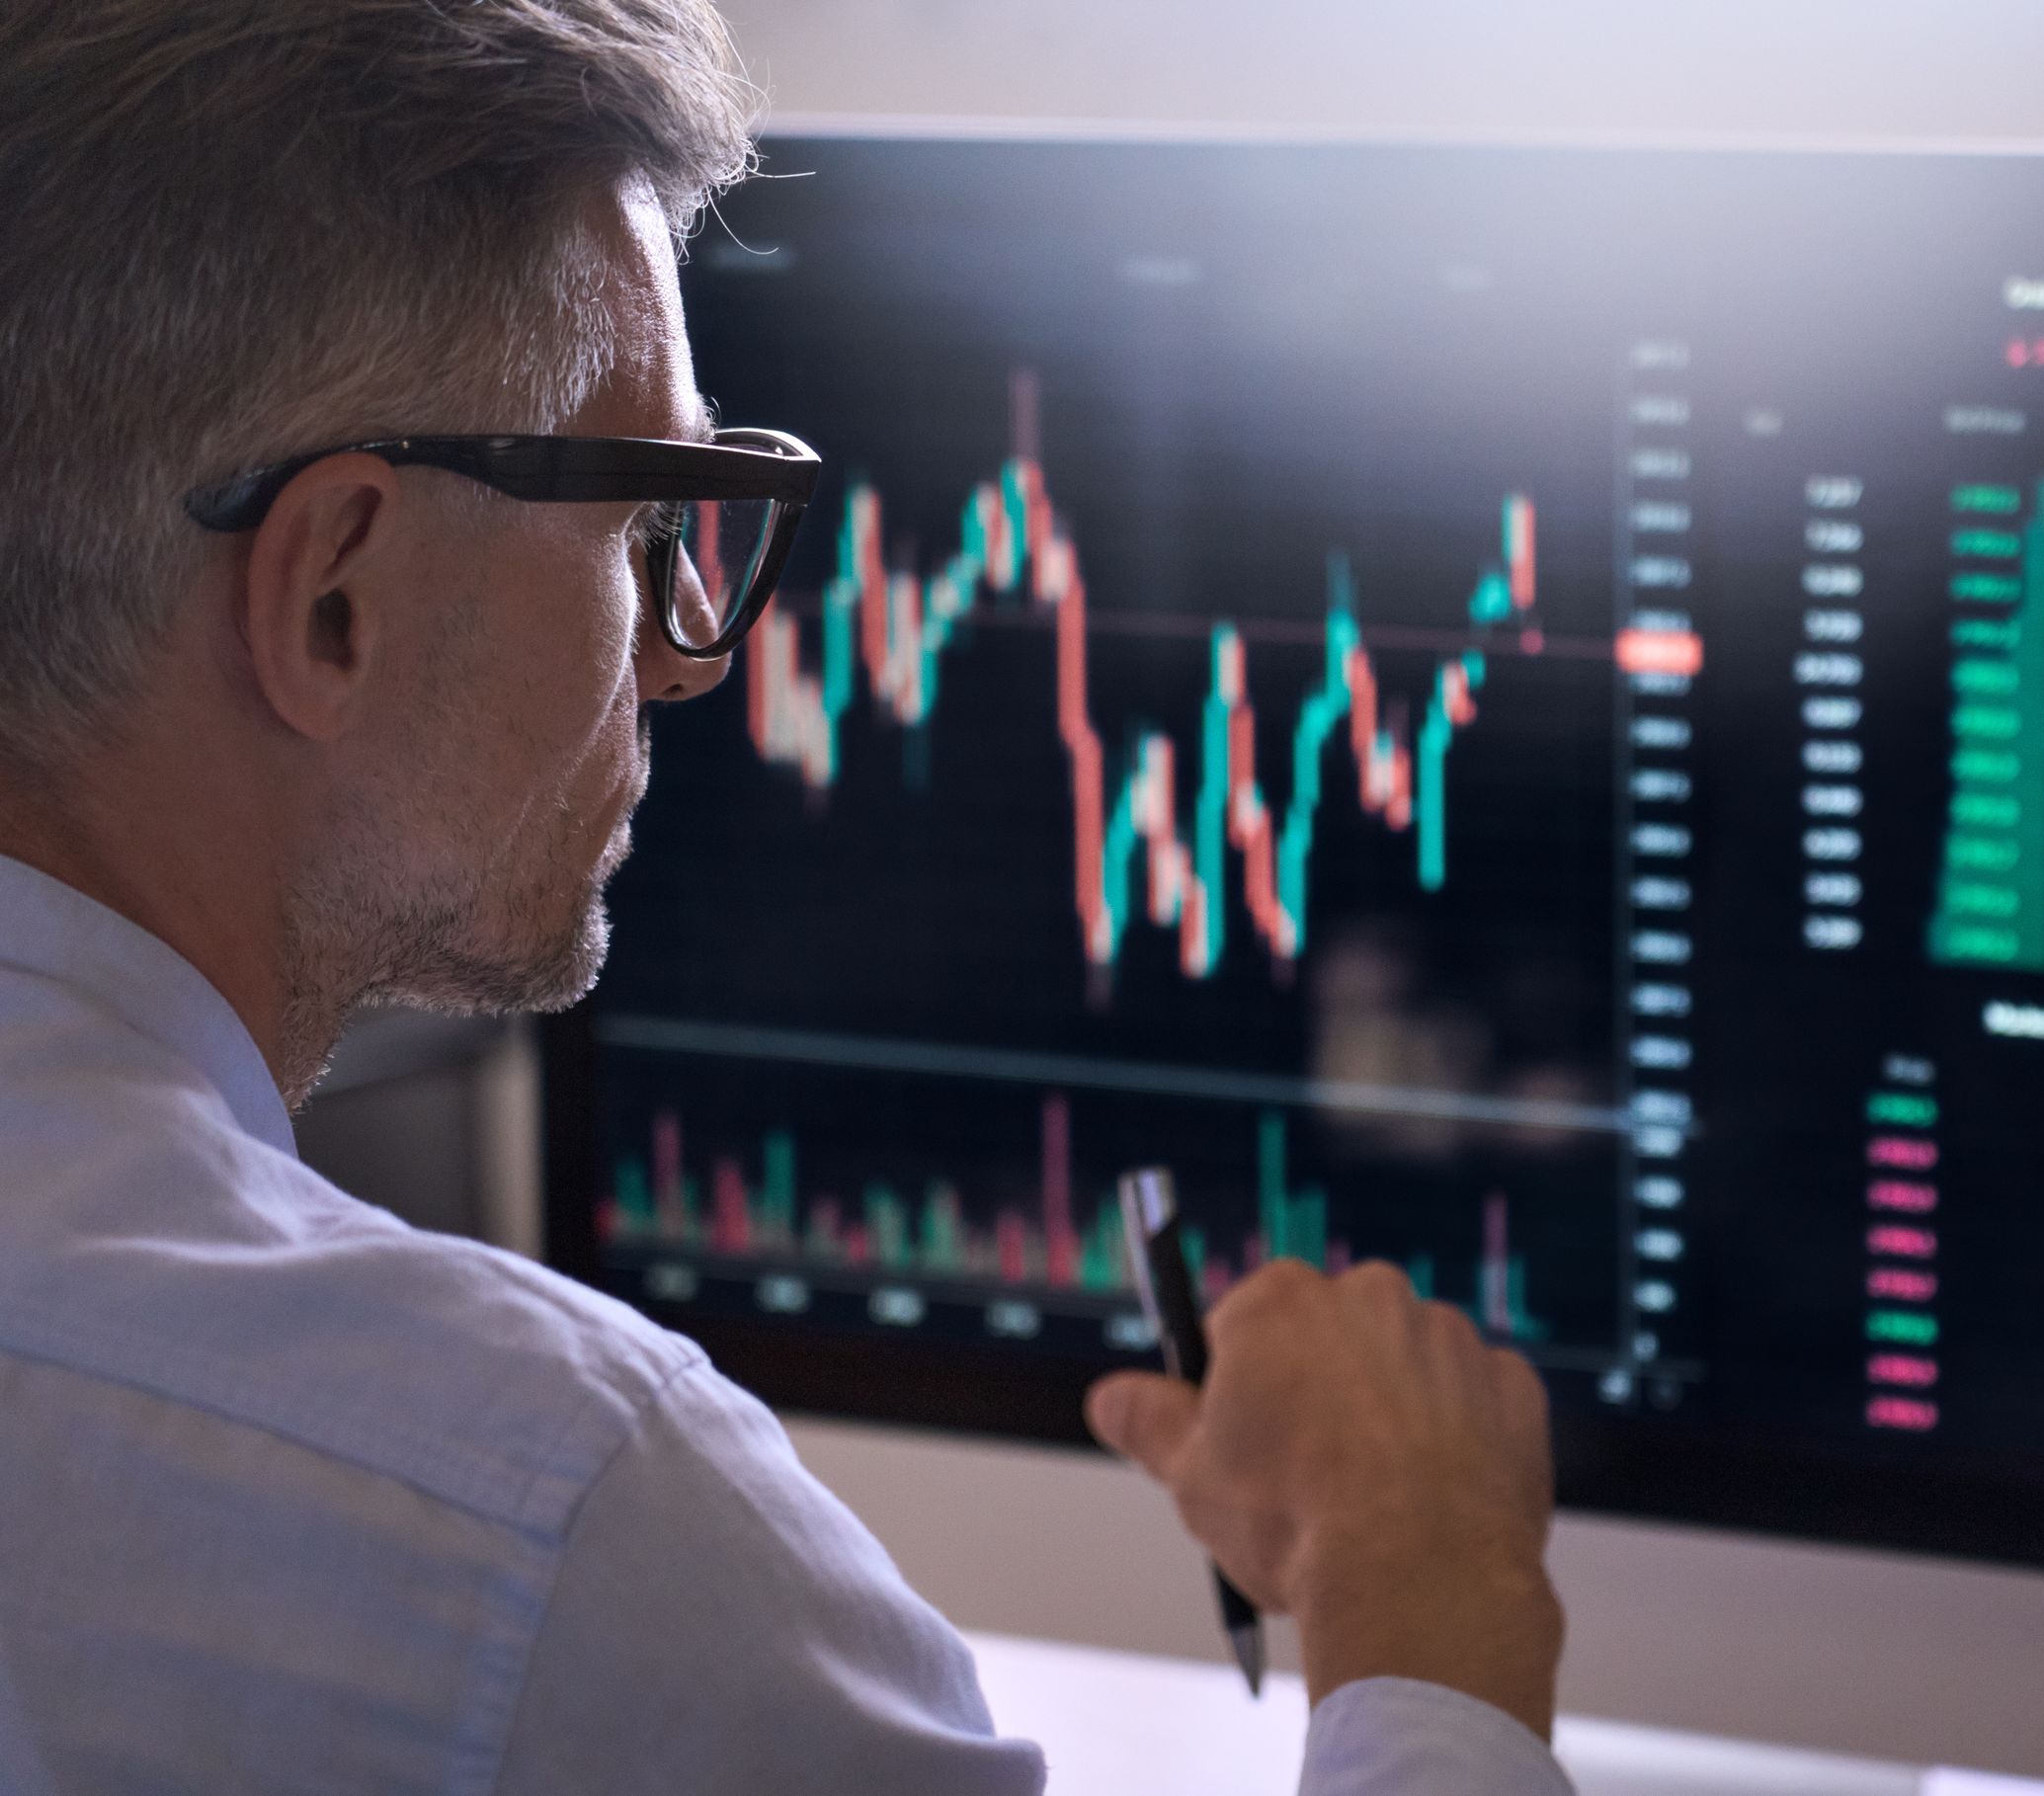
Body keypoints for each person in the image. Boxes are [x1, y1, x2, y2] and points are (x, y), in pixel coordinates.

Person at [0, 2, 1569, 1790]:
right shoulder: (550, 1518)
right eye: (648, 518)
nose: (682, 662)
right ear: (335, 595)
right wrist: (1431, 1606)